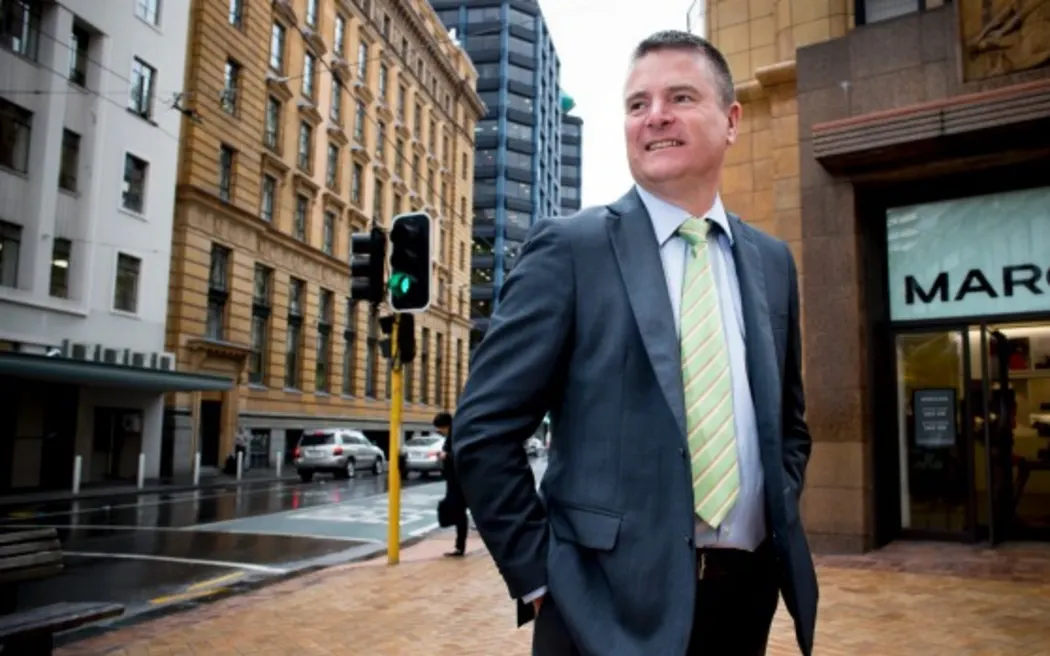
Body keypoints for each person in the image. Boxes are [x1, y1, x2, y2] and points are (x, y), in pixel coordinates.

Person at [451, 30, 818, 656]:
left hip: (744, 602)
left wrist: (771, 513)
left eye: (679, 96)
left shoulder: (771, 262)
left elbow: (788, 424)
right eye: (636, 104)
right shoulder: (569, 249)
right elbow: (483, 432)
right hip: (601, 616)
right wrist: (545, 582)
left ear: (731, 121)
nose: (655, 117)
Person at [434, 412, 468, 557]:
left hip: (459, 480)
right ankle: (459, 547)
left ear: (445, 426)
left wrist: (446, 456)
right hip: (456, 480)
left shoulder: (456, 435)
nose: (440, 432)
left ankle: (460, 547)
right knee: (459, 512)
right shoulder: (454, 435)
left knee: (457, 511)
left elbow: (461, 454)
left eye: (440, 428)